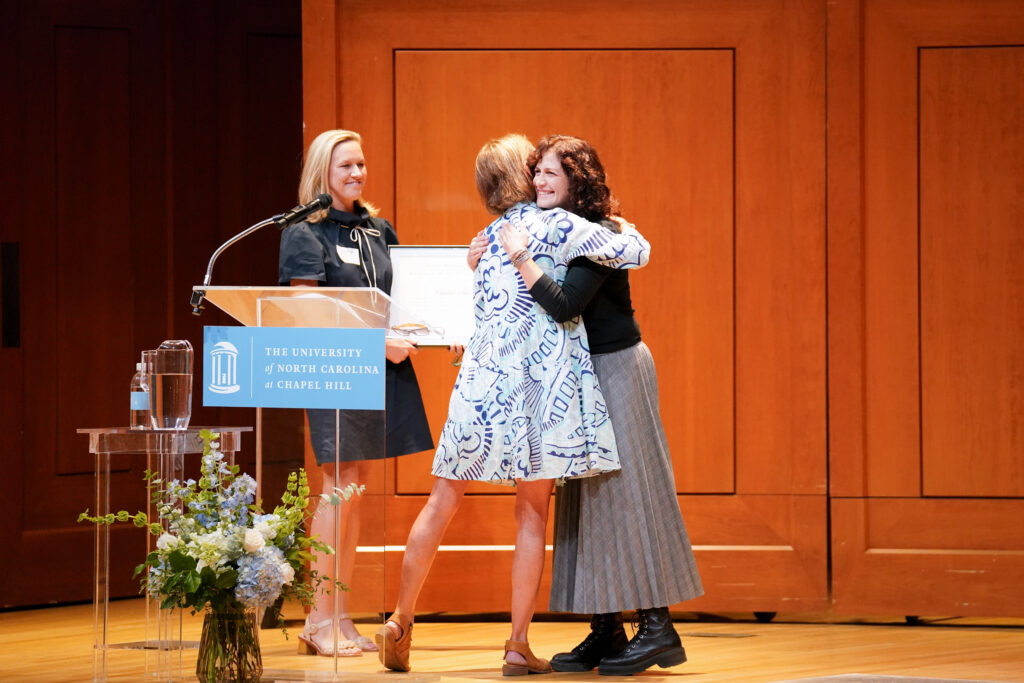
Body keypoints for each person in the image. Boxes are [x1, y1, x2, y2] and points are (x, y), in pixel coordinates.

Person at [375, 133, 651, 676]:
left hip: (479, 386)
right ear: (525, 176)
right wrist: (622, 224)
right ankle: (516, 644)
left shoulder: (485, 236)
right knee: (531, 512)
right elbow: (637, 253)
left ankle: (400, 618)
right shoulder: (560, 225)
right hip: (539, 391)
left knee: (441, 501)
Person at [496, 134, 703, 676]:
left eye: (550, 174)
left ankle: (658, 628)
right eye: (536, 172)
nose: (539, 182)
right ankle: (607, 627)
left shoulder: (602, 235)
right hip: (581, 374)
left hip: (618, 368)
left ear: (576, 182)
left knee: (630, 493)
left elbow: (565, 304)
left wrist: (515, 254)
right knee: (586, 499)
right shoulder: (553, 230)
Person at [278, 129, 435, 657]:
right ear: (322, 172)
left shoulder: (376, 228)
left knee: (356, 486)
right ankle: (317, 618)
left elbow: (397, 298)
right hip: (332, 367)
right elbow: (308, 314)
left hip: (380, 370)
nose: (356, 174)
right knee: (337, 487)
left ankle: (339, 614)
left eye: (361, 165)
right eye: (345, 166)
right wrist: (376, 341)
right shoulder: (305, 231)